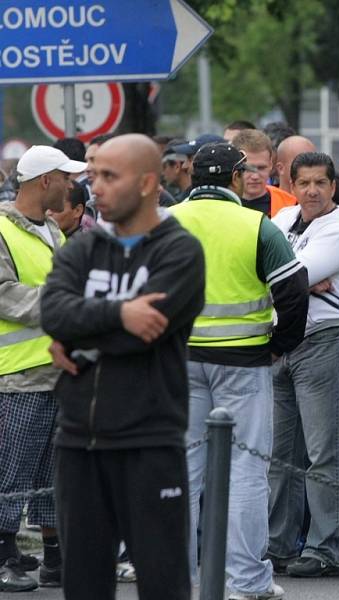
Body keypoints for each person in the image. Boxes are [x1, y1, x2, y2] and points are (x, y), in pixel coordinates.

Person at [40, 134, 206, 600]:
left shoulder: (179, 250)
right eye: (93, 177)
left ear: (149, 182)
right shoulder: (83, 249)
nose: (97, 189)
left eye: (110, 177)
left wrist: (81, 335)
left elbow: (147, 331)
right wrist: (119, 314)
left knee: (162, 582)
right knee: (85, 585)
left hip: (149, 441)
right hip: (78, 442)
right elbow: (52, 312)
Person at [170, 142, 309, 600]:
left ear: (191, 177)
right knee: (247, 473)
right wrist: (279, 346)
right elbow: (293, 293)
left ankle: (176, 577)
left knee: (184, 471)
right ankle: (247, 581)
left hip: (182, 363)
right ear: (235, 179)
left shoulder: (166, 224)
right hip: (245, 363)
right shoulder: (258, 227)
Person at [268, 153, 339, 578]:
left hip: (325, 341)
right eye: (303, 182)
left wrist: (293, 281)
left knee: (324, 451)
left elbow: (286, 277)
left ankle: (323, 549)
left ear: (333, 186)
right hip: (280, 342)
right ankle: (278, 544)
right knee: (278, 453)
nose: (311, 191)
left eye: (320, 183)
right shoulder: (284, 217)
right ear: (292, 183)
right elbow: (283, 278)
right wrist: (297, 283)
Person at [0, 145, 85, 592]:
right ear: (45, 181)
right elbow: (4, 293)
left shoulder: (52, 228)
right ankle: (2, 557)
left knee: (55, 472)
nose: (72, 186)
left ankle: (55, 559)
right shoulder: (1, 229)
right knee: (11, 471)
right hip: (17, 374)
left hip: (57, 370)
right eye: (65, 177)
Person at [231, 129, 298, 217]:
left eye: (261, 168)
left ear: (271, 164)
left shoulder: (292, 205)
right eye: (248, 168)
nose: (255, 176)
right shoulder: (221, 205)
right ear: (235, 166)